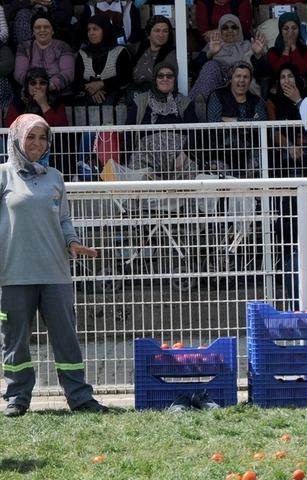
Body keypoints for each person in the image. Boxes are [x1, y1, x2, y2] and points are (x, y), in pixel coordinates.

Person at [1, 114, 107, 418]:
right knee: (15, 341)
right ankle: (17, 398)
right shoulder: (3, 175)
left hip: (55, 272)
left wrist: (72, 241)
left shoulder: (55, 177)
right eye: (30, 136)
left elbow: (64, 219)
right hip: (14, 273)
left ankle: (80, 397)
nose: (37, 143)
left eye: (43, 137)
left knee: (66, 338)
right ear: (16, 139)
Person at [126, 62, 199, 179]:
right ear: (155, 80)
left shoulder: (184, 102)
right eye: (160, 76)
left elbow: (195, 131)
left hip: (179, 156)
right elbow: (128, 131)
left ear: (174, 79)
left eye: (169, 76)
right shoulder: (140, 101)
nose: (165, 79)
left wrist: (184, 154)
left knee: (192, 172)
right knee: (138, 176)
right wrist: (127, 158)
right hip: (146, 156)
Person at [206, 61, 266, 177]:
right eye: (238, 76)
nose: (242, 80)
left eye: (246, 77)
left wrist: (233, 121)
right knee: (219, 174)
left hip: (249, 150)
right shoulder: (217, 95)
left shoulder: (257, 101)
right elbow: (214, 122)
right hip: (221, 149)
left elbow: (262, 123)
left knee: (256, 168)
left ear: (250, 80)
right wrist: (249, 124)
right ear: (230, 79)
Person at [190, 14, 267, 103]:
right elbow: (194, 68)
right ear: (220, 30)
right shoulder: (213, 44)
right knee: (211, 66)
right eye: (225, 28)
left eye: (234, 27)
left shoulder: (249, 46)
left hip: (241, 84)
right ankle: (201, 105)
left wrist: (258, 55)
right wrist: (210, 53)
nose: (230, 30)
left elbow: (264, 73)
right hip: (216, 85)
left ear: (239, 30)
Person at [13, 11, 76, 100]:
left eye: (46, 27)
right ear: (33, 31)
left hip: (59, 94)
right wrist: (34, 85)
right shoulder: (24, 47)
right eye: (38, 27)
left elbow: (68, 73)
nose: (42, 30)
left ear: (52, 30)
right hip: (31, 93)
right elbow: (19, 73)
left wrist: (48, 86)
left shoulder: (63, 47)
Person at [74, 15, 132, 106]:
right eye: (89, 30)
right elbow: (77, 80)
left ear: (105, 31)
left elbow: (125, 77)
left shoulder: (120, 51)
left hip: (114, 100)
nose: (91, 33)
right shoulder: (83, 53)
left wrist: (102, 84)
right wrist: (92, 90)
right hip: (88, 100)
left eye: (95, 29)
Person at [266, 62, 307, 177]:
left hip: (306, 145)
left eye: (290, 76)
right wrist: (290, 146)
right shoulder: (272, 100)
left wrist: (298, 100)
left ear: (296, 78)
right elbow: (273, 131)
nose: (287, 81)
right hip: (283, 147)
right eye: (283, 77)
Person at [128, 15, 177, 99]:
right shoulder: (139, 48)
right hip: (134, 95)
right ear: (148, 34)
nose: (161, 35)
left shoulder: (171, 54)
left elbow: (167, 83)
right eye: (157, 30)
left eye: (165, 31)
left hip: (158, 99)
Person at [5, 67, 69, 128]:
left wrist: (44, 104)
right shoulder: (18, 103)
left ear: (48, 86)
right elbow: (10, 129)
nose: (38, 87)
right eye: (33, 83)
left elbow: (61, 130)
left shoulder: (56, 102)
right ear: (27, 86)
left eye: (42, 83)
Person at [260, 12, 307, 79]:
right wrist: (286, 48)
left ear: (299, 30)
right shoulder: (273, 51)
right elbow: (278, 73)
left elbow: (301, 71)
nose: (290, 32)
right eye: (286, 29)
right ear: (281, 31)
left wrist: (293, 47)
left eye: (294, 28)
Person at [4, 0, 74, 45]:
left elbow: (65, 18)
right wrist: (32, 1)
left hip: (54, 29)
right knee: (23, 14)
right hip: (28, 31)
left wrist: (51, 6)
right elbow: (11, 12)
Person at [77, 0, 143, 46]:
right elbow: (83, 32)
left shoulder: (129, 6)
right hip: (97, 48)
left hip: (123, 46)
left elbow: (136, 32)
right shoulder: (91, 7)